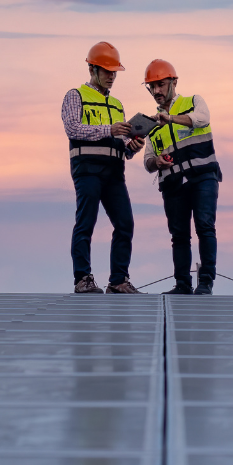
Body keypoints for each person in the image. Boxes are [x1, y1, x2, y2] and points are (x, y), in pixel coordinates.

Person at [62, 42, 145, 294]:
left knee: (125, 223)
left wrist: (133, 146)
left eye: (114, 72)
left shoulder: (118, 104)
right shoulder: (75, 96)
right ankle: (83, 279)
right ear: (92, 69)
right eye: (107, 71)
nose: (112, 76)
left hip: (114, 173)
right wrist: (108, 130)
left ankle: (118, 280)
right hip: (87, 170)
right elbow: (73, 128)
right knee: (85, 223)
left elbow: (121, 146)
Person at [140, 59, 222, 295]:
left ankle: (205, 283)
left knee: (205, 227)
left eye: (161, 85)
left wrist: (172, 118)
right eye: (152, 87)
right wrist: (157, 162)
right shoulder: (149, 124)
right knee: (179, 236)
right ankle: (182, 284)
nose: (156, 91)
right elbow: (147, 161)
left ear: (174, 82)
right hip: (173, 184)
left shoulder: (193, 101)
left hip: (202, 177)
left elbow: (202, 119)